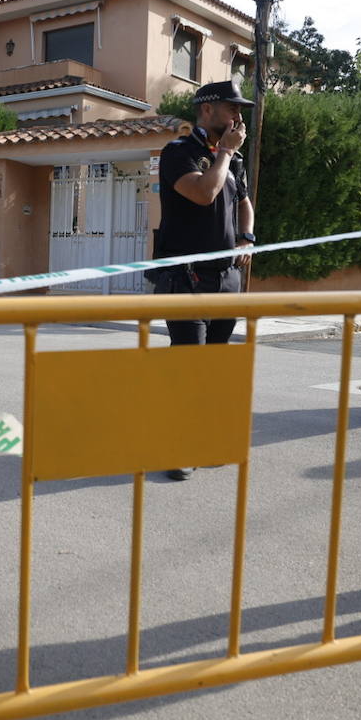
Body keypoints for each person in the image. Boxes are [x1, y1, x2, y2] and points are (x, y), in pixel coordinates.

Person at [147, 80, 256, 480]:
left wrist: (247, 236)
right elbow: (203, 194)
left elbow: (243, 202)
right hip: (185, 278)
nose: (239, 118)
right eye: (232, 109)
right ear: (207, 110)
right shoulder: (179, 152)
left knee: (211, 368)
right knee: (189, 367)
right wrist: (225, 152)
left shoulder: (233, 160)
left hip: (226, 278)